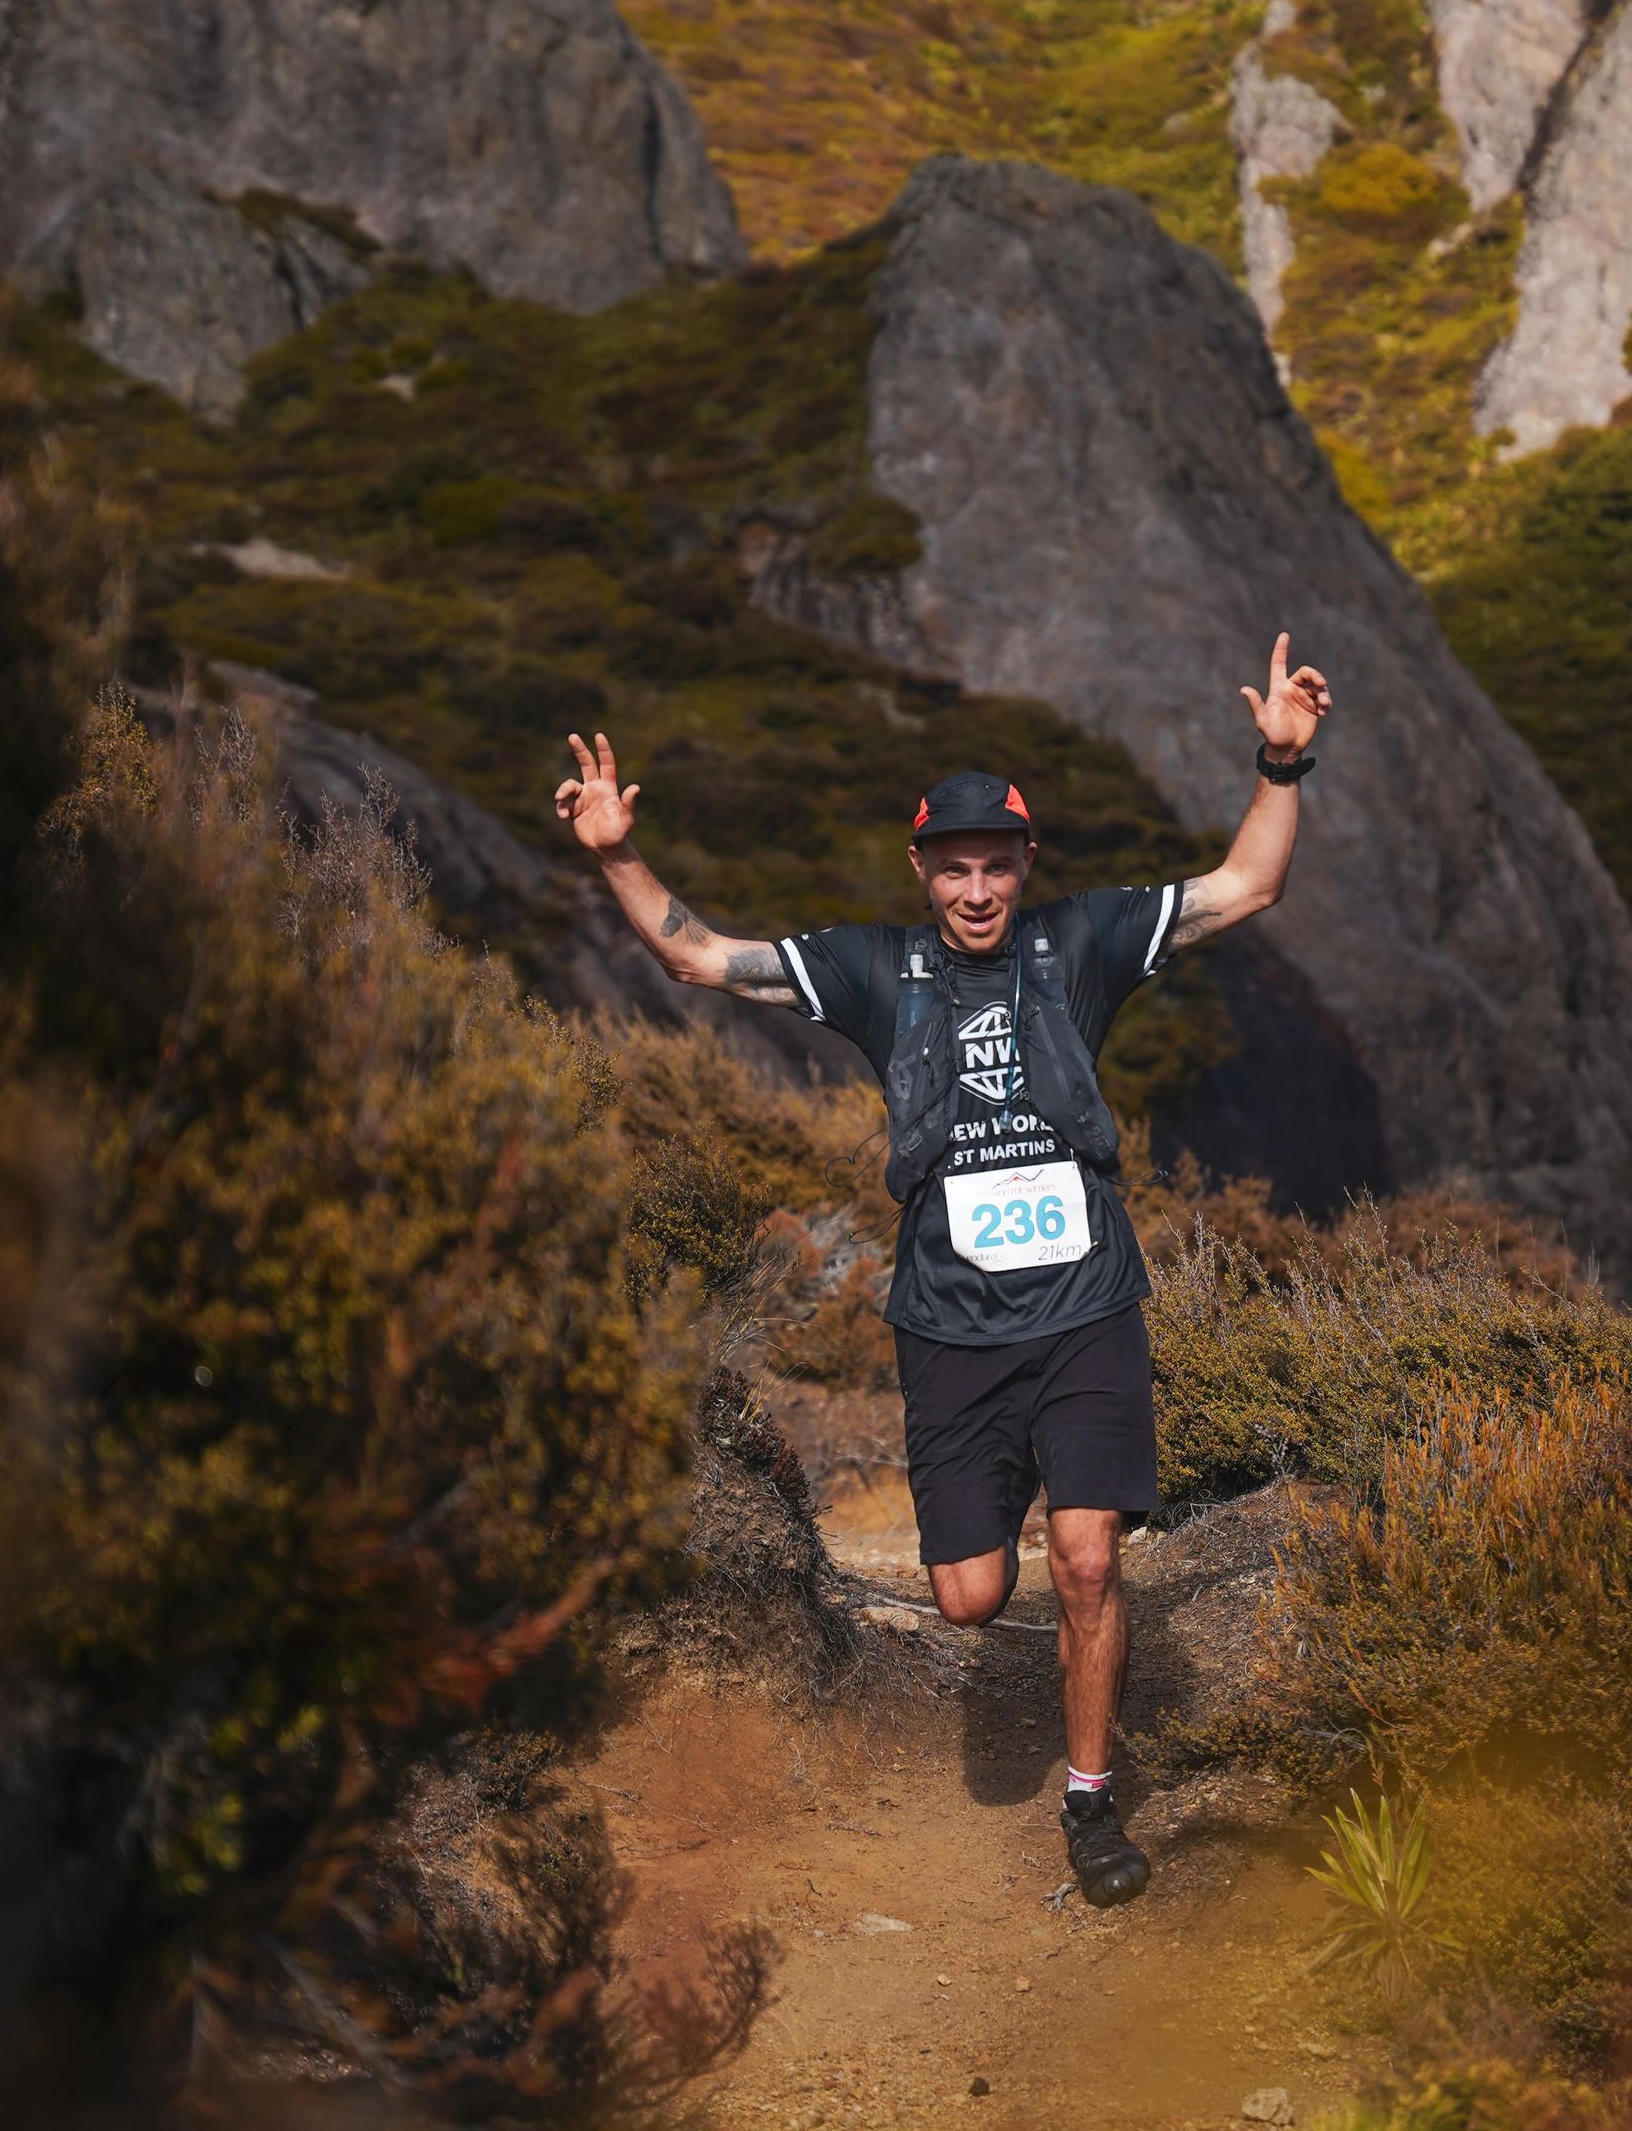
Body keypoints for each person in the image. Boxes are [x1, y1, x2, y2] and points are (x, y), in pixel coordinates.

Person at [555, 635, 1332, 1906]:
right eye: (955, 866)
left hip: (1087, 1305)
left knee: (1087, 1558)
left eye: (999, 864)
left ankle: (1091, 1805)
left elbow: (1245, 885)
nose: (978, 888)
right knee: (971, 1597)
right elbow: (704, 957)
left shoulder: (1081, 944)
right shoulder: (875, 968)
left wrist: (1281, 761)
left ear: (1026, 865)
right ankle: (1015, 1525)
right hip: (950, 1327)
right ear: (925, 870)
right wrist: (616, 854)